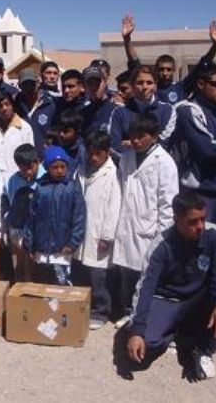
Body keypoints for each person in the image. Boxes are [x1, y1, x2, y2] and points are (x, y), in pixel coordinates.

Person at [122, 192, 216, 381]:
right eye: (193, 222)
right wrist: (137, 330)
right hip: (168, 299)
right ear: (176, 219)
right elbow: (145, 287)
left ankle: (203, 348)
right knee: (147, 344)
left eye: (203, 219)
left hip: (199, 298)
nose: (200, 226)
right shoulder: (161, 243)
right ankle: (175, 332)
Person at [113, 113, 179, 327]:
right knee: (126, 274)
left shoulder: (164, 162)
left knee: (147, 275)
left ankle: (143, 314)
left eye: (142, 136)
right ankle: (127, 310)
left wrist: (164, 235)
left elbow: (167, 202)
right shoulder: (127, 156)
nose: (136, 141)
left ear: (155, 136)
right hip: (127, 223)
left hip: (149, 227)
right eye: (133, 136)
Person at [172, 64, 216, 226]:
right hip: (198, 193)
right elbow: (207, 150)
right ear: (201, 84)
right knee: (198, 243)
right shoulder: (188, 111)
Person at [73, 130, 121, 330]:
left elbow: (114, 207)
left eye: (98, 154)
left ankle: (101, 311)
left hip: (99, 233)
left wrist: (107, 236)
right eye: (90, 153)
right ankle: (84, 307)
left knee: (98, 275)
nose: (93, 157)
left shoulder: (113, 174)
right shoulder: (82, 170)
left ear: (107, 152)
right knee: (82, 272)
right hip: (82, 230)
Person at [122, 15, 216, 104]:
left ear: (174, 70)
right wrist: (127, 39)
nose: (165, 73)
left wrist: (215, 45)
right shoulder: (149, 87)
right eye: (161, 69)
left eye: (168, 69)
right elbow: (135, 64)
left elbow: (203, 65)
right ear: (156, 70)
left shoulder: (181, 88)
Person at [23, 146, 86, 286]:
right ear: (47, 168)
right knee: (42, 286)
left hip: (62, 250)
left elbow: (79, 217)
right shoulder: (41, 187)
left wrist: (73, 243)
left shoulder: (72, 187)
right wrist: (30, 243)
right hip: (42, 249)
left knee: (60, 287)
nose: (59, 171)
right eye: (55, 167)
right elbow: (32, 216)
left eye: (63, 167)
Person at [109, 65, 177, 153]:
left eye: (149, 83)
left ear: (155, 86)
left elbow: (164, 144)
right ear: (133, 86)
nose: (145, 87)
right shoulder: (119, 113)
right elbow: (114, 146)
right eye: (140, 83)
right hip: (127, 165)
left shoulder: (168, 111)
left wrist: (129, 143)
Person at [2, 144, 44, 282]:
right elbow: (6, 201)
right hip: (18, 232)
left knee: (37, 270)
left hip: (39, 233)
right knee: (19, 269)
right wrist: (9, 218)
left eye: (31, 168)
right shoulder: (13, 180)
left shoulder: (46, 179)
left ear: (38, 161)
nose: (28, 172)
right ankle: (19, 299)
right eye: (23, 169)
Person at [0, 90, 34, 183]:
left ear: (13, 105)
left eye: (7, 104)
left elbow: (29, 157)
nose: (4, 108)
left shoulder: (24, 128)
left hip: (18, 179)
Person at [16, 69, 56, 155]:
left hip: (44, 157)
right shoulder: (15, 105)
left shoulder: (50, 104)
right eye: (25, 84)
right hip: (22, 157)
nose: (29, 88)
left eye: (32, 84)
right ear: (19, 86)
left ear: (38, 83)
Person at [52, 109, 86, 178]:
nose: (61, 134)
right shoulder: (54, 146)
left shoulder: (81, 152)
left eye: (66, 131)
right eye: (59, 130)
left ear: (76, 131)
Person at [80, 66, 114, 133]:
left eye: (97, 82)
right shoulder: (82, 114)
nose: (94, 87)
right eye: (90, 83)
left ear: (105, 82)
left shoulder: (117, 111)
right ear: (84, 86)